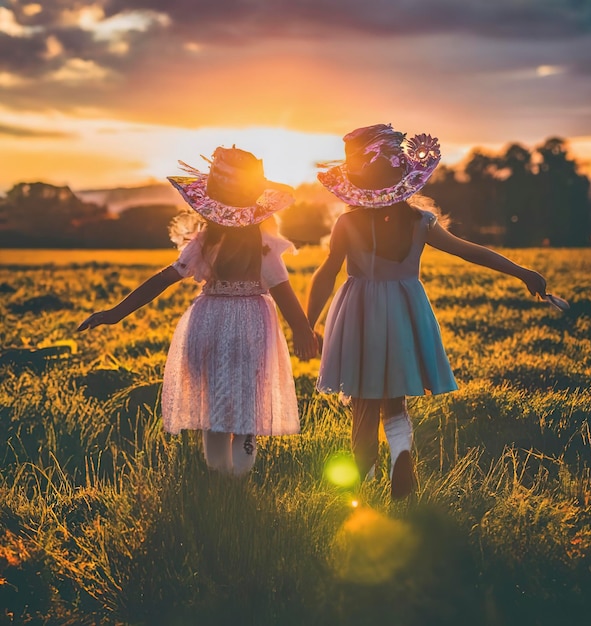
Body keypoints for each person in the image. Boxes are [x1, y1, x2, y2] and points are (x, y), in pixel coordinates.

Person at [307, 123, 553, 499]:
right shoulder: (421, 221)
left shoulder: (347, 223)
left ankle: (364, 485)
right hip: (404, 312)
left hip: (359, 314)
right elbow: (470, 251)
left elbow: (326, 275)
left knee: (363, 403)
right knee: (395, 400)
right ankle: (401, 451)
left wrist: (306, 324)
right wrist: (521, 272)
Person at [78, 146, 318, 476]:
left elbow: (163, 279)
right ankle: (237, 480)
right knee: (247, 402)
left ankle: (220, 476)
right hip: (251, 323)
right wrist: (302, 330)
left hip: (210, 321)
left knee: (216, 401)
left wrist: (116, 312)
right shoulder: (262, 243)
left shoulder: (205, 241)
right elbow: (283, 291)